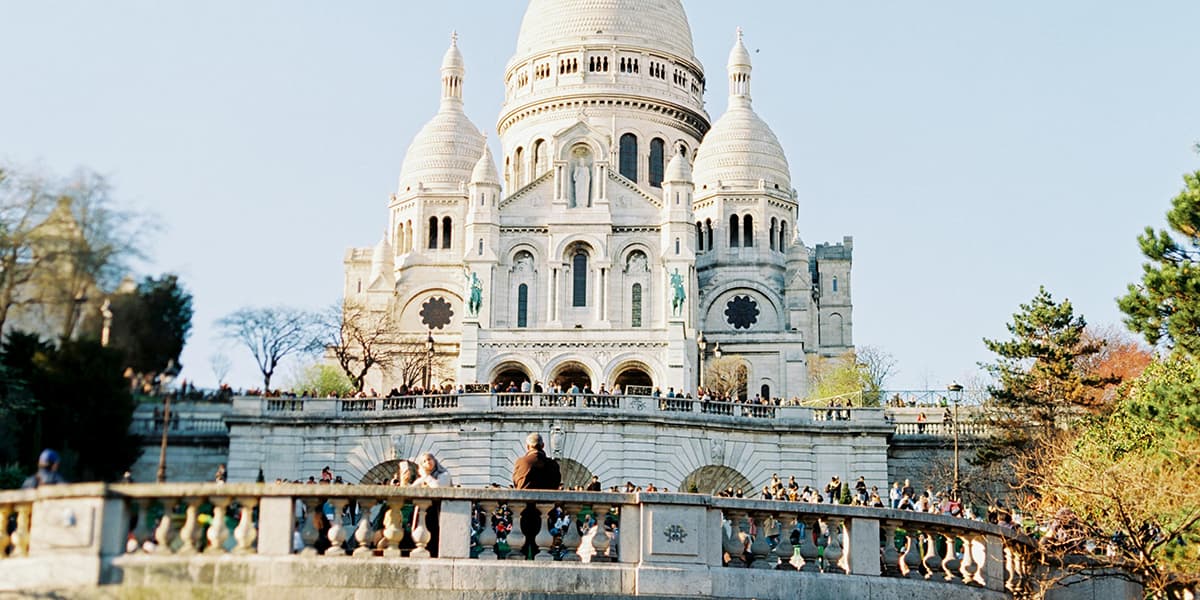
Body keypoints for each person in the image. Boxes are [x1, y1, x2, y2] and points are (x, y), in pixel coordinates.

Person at [512, 432, 562, 558]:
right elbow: (556, 486)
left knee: (519, 551)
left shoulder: (521, 462)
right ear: (543, 445)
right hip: (544, 513)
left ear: (527, 446)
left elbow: (516, 484)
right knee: (542, 552)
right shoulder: (552, 465)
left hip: (524, 513)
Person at [412, 452, 452, 557]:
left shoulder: (444, 475)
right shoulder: (422, 479)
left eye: (429, 459)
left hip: (439, 512)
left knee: (436, 540)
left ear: (434, 460)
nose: (427, 462)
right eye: (424, 461)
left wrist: (425, 476)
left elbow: (438, 488)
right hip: (424, 512)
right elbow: (410, 491)